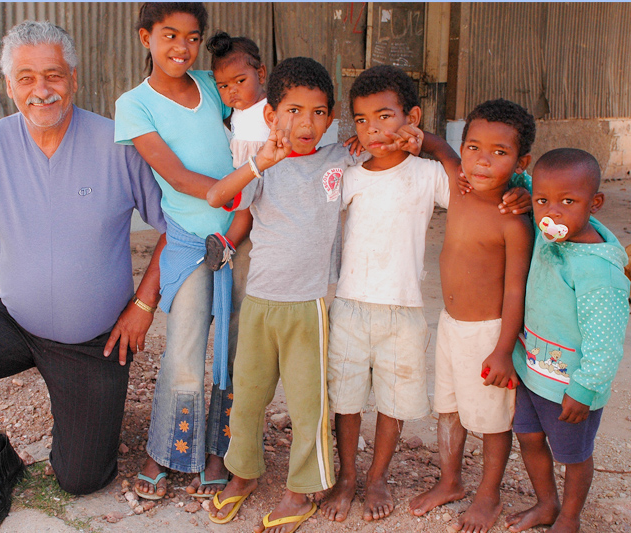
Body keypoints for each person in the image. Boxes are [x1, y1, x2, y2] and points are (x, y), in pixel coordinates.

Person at [0, 21, 166, 530]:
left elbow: (175, 226)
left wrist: (142, 305)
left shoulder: (119, 144)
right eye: (25, 78)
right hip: (15, 316)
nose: (40, 89)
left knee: (82, 479)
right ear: (9, 86)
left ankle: (80, 423)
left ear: (73, 77)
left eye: (52, 75)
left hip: (95, 340)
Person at [320, 70, 533, 525]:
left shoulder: (430, 176)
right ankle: (347, 477)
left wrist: (524, 193)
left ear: (412, 118)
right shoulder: (350, 175)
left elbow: (474, 182)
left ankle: (377, 476)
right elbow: (313, 195)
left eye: (385, 118)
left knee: (395, 401)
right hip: (351, 305)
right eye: (361, 121)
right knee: (347, 398)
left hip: (405, 310)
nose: (374, 131)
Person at [205, 56, 366, 533]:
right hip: (259, 301)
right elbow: (218, 198)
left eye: (319, 112)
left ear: (331, 118)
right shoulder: (262, 161)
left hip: (309, 305)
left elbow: (385, 144)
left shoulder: (339, 157)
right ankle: (242, 475)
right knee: (249, 396)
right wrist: (259, 163)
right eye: (294, 110)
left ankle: (302, 488)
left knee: (306, 403)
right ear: (272, 114)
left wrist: (417, 138)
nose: (306, 122)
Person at [114, 2, 238, 500]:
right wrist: (245, 187)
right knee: (184, 351)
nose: (182, 48)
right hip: (189, 240)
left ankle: (220, 453)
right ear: (145, 37)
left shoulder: (213, 85)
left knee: (233, 348)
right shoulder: (135, 104)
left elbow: (258, 116)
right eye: (169, 35)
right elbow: (180, 178)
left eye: (192, 37)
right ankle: (164, 451)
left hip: (242, 237)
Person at [409, 99, 536, 533]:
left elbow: (516, 288)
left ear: (521, 162)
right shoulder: (458, 184)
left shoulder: (513, 221)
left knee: (492, 421)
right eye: (474, 148)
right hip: (449, 325)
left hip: (487, 335)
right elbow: (440, 147)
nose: (482, 161)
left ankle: (488, 494)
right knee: (449, 410)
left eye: (499, 153)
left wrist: (503, 349)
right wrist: (403, 133)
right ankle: (450, 481)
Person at [505, 148, 629, 533]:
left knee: (573, 456)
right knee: (527, 436)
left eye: (568, 202)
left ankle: (570, 518)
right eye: (543, 201)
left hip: (571, 388)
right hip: (532, 369)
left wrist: (586, 388)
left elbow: (605, 343)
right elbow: (528, 183)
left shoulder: (598, 272)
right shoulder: (550, 231)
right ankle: (546, 505)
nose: (551, 213)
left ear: (595, 203)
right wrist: (522, 191)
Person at [202, 30, 267, 272]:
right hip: (244, 175)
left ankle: (229, 243)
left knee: (252, 214)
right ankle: (226, 245)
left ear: (260, 74)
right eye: (224, 86)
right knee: (243, 212)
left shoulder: (269, 107)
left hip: (264, 174)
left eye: (240, 81)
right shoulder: (235, 112)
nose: (233, 91)